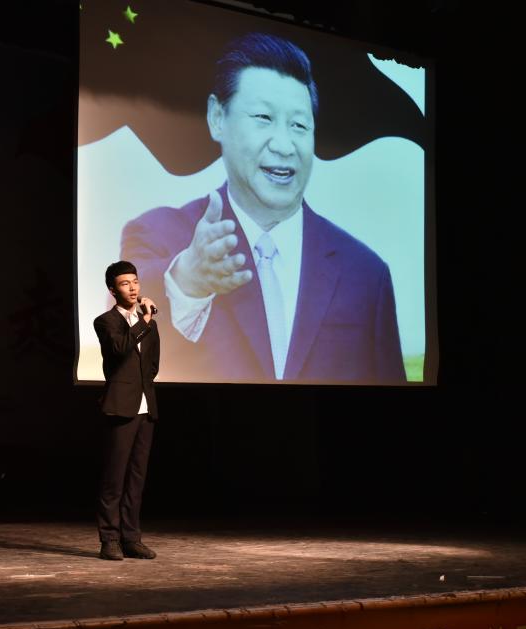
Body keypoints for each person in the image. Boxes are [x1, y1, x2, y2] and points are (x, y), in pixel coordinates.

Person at [121, 32, 405, 384]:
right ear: (217, 117)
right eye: (263, 117)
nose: (284, 146)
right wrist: (186, 282)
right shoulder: (156, 236)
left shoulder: (366, 274)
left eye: (299, 125)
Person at [92, 261, 160, 561]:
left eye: (135, 282)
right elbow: (119, 349)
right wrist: (143, 321)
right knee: (114, 478)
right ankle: (109, 539)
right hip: (120, 406)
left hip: (146, 407)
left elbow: (153, 364)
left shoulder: (149, 324)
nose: (132, 288)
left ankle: (131, 538)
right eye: (124, 283)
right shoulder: (106, 321)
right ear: (112, 290)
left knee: (136, 478)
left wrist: (145, 322)